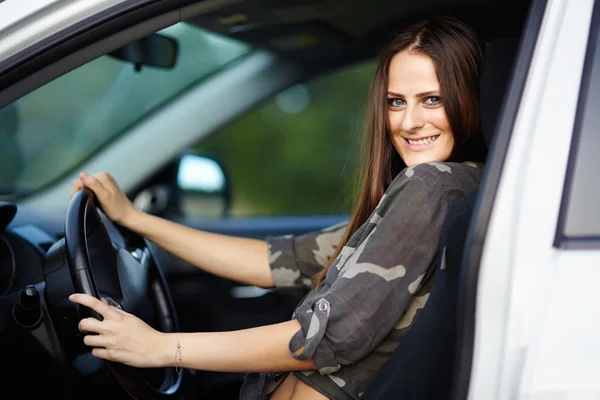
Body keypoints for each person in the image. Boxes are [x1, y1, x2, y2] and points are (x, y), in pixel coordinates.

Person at [69, 15, 487, 400]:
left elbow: (323, 338)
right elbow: (278, 261)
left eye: (431, 99)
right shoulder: (463, 189)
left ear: (468, 99)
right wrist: (136, 219)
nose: (408, 121)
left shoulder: (431, 186)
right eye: (396, 101)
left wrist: (161, 347)